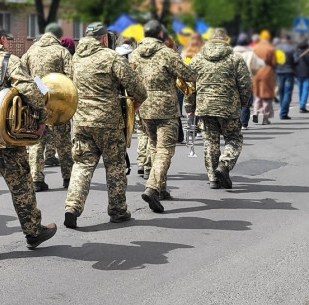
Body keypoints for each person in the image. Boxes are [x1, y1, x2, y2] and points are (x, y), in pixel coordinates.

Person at [0, 24, 57, 260]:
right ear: (2, 40)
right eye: (8, 40)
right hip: (5, 135)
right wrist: (43, 119)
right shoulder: (9, 60)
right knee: (22, 187)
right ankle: (33, 232)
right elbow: (31, 90)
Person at [63, 23, 146, 228]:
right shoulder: (111, 57)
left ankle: (72, 207)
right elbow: (137, 87)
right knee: (115, 166)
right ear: (103, 38)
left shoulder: (75, 59)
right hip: (109, 122)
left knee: (82, 165)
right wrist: (135, 104)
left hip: (82, 121)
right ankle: (117, 210)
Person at [131, 21, 197, 213]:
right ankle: (152, 188)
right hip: (165, 109)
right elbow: (188, 74)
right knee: (165, 150)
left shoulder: (135, 53)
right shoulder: (167, 53)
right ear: (160, 33)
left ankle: (161, 188)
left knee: (153, 146)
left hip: (144, 108)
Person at [186, 28, 252, 190]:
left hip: (205, 108)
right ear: (226, 39)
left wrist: (190, 106)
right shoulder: (235, 59)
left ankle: (213, 178)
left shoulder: (197, 59)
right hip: (229, 107)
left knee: (210, 143)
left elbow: (189, 85)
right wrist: (244, 103)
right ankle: (224, 163)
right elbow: (245, 84)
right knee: (233, 138)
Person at [20, 21, 74, 191]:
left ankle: (36, 179)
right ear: (58, 36)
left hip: (36, 103)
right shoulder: (61, 51)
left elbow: (22, 74)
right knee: (63, 141)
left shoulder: (30, 51)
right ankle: (68, 177)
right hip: (58, 103)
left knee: (36, 141)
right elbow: (71, 76)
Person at [250, 30, 278, 125]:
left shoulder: (255, 47)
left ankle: (255, 112)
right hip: (267, 72)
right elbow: (274, 62)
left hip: (256, 72)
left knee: (257, 95)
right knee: (266, 96)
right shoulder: (270, 48)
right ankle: (265, 118)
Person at [274, 34, 298, 120]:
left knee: (281, 92)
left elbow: (274, 60)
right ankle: (283, 112)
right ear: (288, 39)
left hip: (279, 72)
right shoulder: (292, 48)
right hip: (289, 71)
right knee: (287, 93)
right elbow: (296, 60)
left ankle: (282, 110)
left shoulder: (276, 48)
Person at [294, 38, 309, 113]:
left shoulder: (296, 52)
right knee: (305, 90)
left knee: (300, 90)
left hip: (298, 73)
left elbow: (294, 61)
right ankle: (302, 105)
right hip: (308, 73)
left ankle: (301, 103)